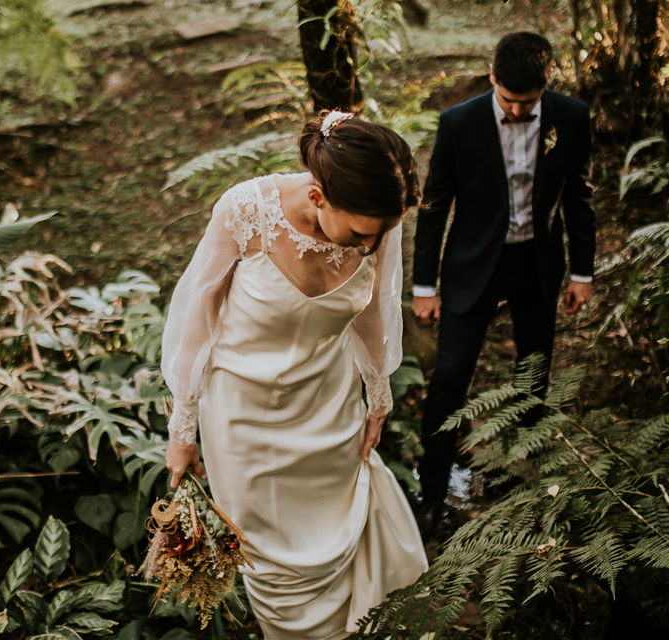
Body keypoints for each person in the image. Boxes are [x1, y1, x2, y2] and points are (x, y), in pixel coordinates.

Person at [161, 111, 429, 639]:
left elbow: (373, 312)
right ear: (318, 197)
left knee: (340, 543)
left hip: (329, 409)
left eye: (381, 235)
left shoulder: (376, 222)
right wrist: (182, 430)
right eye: (359, 234)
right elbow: (198, 322)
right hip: (243, 423)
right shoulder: (244, 211)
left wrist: (378, 395)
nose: (369, 247)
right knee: (273, 569)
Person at [412, 31, 597, 532]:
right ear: (492, 78)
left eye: (529, 103)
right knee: (450, 377)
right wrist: (423, 285)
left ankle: (524, 479)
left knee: (533, 371)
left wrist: (583, 271)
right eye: (508, 101)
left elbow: (579, 196)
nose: (517, 112)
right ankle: (431, 493)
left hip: (537, 261)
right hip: (474, 263)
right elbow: (434, 207)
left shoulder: (572, 117)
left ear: (547, 84)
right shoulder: (458, 123)